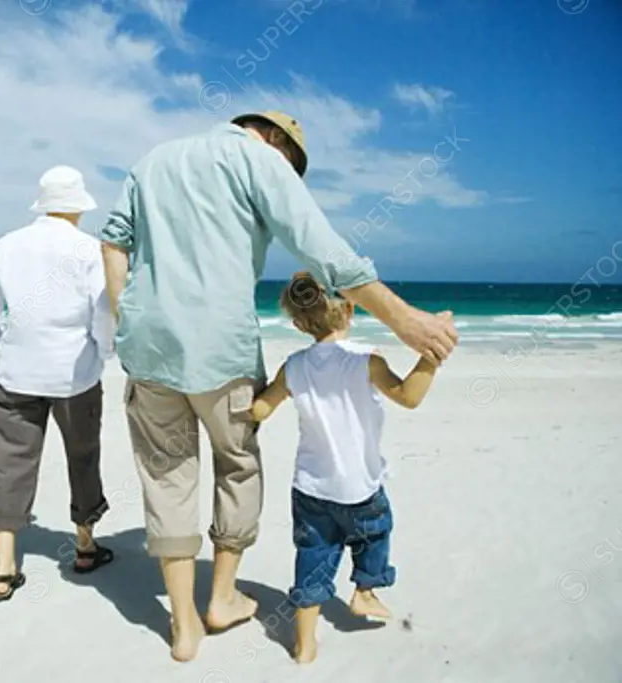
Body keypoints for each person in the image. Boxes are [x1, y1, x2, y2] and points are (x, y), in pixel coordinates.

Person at [99, 110, 459, 662]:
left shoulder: (153, 160)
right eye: (291, 165)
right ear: (275, 141)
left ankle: (184, 627)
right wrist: (405, 320)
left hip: (149, 348)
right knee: (237, 464)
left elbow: (113, 241)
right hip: (222, 349)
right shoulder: (260, 160)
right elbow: (325, 251)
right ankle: (220, 598)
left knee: (168, 477)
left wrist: (128, 315)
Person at [249, 272, 440, 664]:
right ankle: (365, 591)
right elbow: (408, 396)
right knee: (375, 534)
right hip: (361, 487)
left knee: (312, 556)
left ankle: (304, 646)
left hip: (310, 490)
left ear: (299, 323)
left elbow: (260, 409)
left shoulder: (294, 366)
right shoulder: (366, 361)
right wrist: (432, 356)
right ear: (350, 309)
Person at [0, 165, 116, 602]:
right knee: (83, 457)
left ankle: (3, 568)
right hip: (75, 373)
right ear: (78, 206)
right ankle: (85, 547)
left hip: (16, 374)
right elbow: (104, 313)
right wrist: (103, 351)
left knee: (10, 466)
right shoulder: (91, 249)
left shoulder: (5, 245)